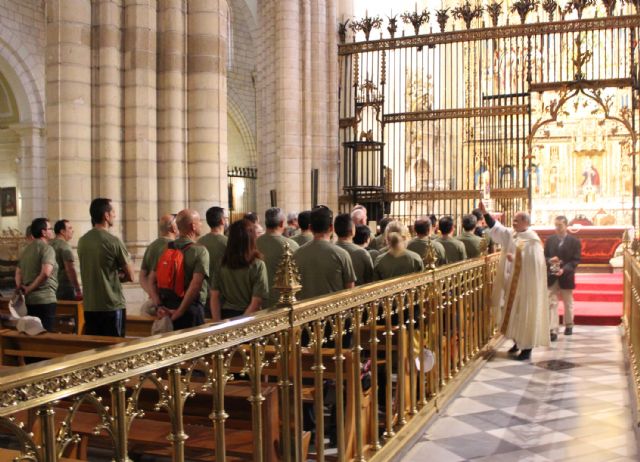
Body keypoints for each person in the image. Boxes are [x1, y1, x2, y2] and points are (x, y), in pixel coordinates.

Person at [479, 201, 549, 360]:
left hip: (526, 287)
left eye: (517, 220)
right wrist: (485, 213)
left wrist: (517, 258)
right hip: (513, 284)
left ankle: (527, 348)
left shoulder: (532, 240)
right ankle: (518, 341)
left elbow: (535, 263)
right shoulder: (514, 234)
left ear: (525, 222)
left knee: (525, 314)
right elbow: (497, 229)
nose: (513, 222)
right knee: (513, 314)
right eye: (514, 220)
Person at [78, 198, 135, 337]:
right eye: (113, 212)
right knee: (115, 351)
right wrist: (117, 275)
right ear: (106, 215)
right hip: (111, 304)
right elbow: (132, 276)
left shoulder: (82, 241)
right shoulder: (113, 241)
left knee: (95, 350)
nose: (115, 215)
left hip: (90, 305)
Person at [150, 209, 209, 330]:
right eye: (199, 221)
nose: (201, 224)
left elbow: (151, 280)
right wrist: (181, 311)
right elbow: (195, 285)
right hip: (190, 310)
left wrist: (159, 306)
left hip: (167, 307)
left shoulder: (164, 248)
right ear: (193, 226)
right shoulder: (200, 251)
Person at [209, 219, 269, 320]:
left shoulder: (222, 263)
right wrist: (238, 325)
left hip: (226, 315)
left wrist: (217, 323)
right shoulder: (257, 265)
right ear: (252, 238)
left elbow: (214, 295)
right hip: (248, 318)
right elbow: (256, 302)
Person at [294, 205, 356, 300]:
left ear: (310, 228)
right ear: (331, 228)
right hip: (334, 312)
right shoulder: (341, 254)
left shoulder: (297, 254)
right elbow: (350, 290)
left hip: (305, 312)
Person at [15, 218, 58, 331]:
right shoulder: (47, 249)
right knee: (46, 336)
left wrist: (21, 287)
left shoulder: (26, 250)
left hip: (30, 301)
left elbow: (18, 272)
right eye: (50, 229)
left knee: (33, 334)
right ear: (43, 232)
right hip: (45, 299)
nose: (52, 231)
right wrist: (29, 288)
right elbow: (46, 273)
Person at [545, 215, 581, 340]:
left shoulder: (575, 241)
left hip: (566, 274)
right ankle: (553, 329)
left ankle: (569, 324)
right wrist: (550, 260)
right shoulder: (550, 240)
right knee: (551, 302)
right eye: (556, 225)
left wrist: (564, 269)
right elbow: (545, 257)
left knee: (568, 301)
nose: (557, 228)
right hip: (552, 275)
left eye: (560, 225)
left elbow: (575, 260)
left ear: (566, 226)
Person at [256, 208, 299, 307]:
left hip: (258, 299)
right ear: (281, 223)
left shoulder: (255, 242)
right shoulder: (291, 245)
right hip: (283, 299)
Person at [139, 214, 177, 297]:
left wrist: (153, 295)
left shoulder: (151, 246)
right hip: (170, 299)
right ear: (174, 228)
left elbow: (142, 277)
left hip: (156, 299)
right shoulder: (174, 246)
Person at [334, 213, 374, 286]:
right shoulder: (362, 253)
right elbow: (370, 280)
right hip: (359, 295)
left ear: (335, 230)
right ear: (352, 231)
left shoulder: (330, 251)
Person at [50, 219, 82, 300]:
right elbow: (70, 269)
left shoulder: (49, 245)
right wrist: (78, 289)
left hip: (51, 288)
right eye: (70, 228)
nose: (72, 230)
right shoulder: (64, 246)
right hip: (64, 288)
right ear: (62, 231)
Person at [198, 206, 228, 283]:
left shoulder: (199, 241)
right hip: (222, 288)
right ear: (222, 221)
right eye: (226, 218)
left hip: (203, 287)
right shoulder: (229, 242)